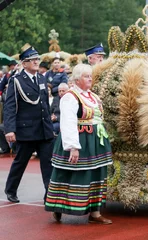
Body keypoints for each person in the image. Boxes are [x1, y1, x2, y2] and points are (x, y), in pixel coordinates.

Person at [45, 64, 113, 224]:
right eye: (86, 76)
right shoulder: (70, 97)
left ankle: (95, 213)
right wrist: (73, 147)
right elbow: (68, 122)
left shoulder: (93, 96)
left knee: (96, 173)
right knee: (70, 173)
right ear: (76, 79)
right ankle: (57, 207)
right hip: (79, 140)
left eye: (90, 76)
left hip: (95, 141)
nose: (90, 78)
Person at [3, 45, 54, 203]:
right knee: (21, 162)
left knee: (48, 163)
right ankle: (11, 189)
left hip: (44, 129)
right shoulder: (16, 81)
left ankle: (50, 195)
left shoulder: (41, 78)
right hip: (27, 130)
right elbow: (10, 106)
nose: (36, 62)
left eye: (37, 59)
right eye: (32, 60)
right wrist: (9, 129)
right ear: (24, 63)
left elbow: (44, 103)